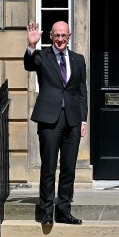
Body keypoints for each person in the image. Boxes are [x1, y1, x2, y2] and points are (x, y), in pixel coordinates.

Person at [24, 20, 87, 225]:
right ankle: (47, 211)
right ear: (51, 36)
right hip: (49, 119)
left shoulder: (78, 59)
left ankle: (64, 211)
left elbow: (82, 91)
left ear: (69, 37)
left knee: (69, 169)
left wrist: (83, 119)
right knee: (49, 167)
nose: (60, 39)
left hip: (72, 120)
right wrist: (31, 46)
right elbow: (29, 64)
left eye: (63, 35)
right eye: (56, 35)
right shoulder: (42, 56)